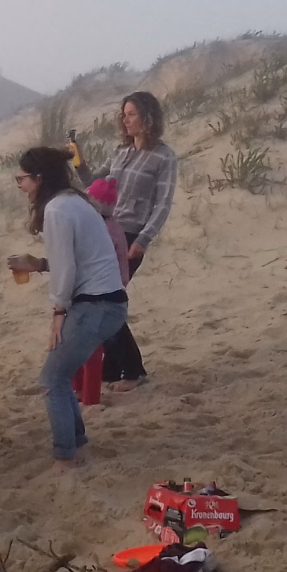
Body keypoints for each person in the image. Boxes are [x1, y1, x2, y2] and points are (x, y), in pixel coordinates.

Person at [6, 147, 129, 472]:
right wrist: (39, 264)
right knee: (59, 376)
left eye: (22, 178)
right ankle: (77, 443)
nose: (19, 184)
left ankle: (66, 456)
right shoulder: (74, 202)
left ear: (38, 179)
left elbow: (66, 271)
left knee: (53, 379)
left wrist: (58, 311)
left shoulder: (58, 210)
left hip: (96, 305)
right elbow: (72, 261)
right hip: (108, 303)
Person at [95, 92, 176, 390]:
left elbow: (163, 204)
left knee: (105, 300)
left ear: (147, 117)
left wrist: (144, 239)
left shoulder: (163, 157)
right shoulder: (121, 151)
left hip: (131, 236)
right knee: (100, 298)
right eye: (123, 114)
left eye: (130, 114)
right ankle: (111, 370)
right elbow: (93, 182)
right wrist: (73, 160)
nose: (125, 120)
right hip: (106, 230)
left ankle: (132, 370)